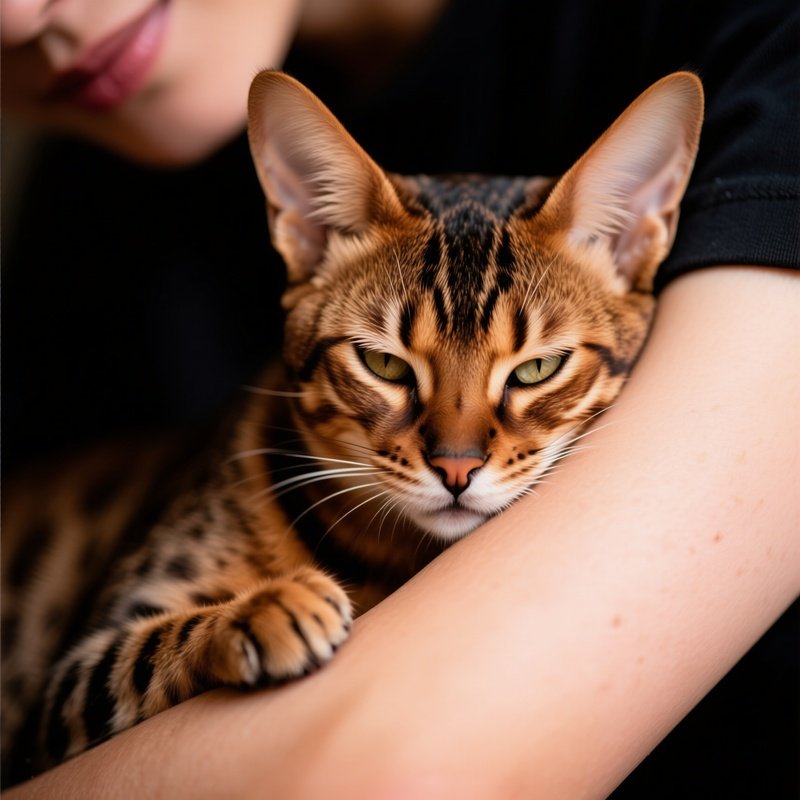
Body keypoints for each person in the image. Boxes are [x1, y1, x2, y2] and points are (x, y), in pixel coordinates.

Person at [2, 0, 798, 796]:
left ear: (633, 245)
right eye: (386, 369)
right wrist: (208, 642)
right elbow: (61, 715)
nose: (457, 456)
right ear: (307, 238)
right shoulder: (89, 220)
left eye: (531, 373)